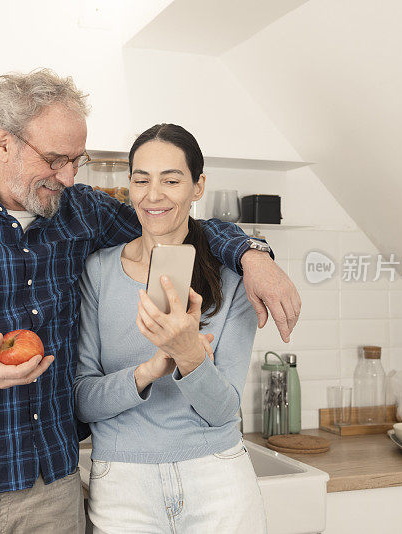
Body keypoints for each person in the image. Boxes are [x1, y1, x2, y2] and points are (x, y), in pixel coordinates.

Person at [0, 69, 296, 533]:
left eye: (78, 160)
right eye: (54, 160)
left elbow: (169, 219)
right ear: (3, 143)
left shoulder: (81, 211)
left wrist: (252, 254)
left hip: (49, 493)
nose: (68, 177)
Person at [75, 123, 267, 533]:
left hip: (217, 480)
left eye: (172, 180)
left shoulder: (233, 279)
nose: (153, 194)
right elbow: (83, 402)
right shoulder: (99, 271)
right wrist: (150, 370)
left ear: (198, 187)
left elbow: (222, 412)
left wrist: (190, 356)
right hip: (123, 485)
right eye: (141, 180)